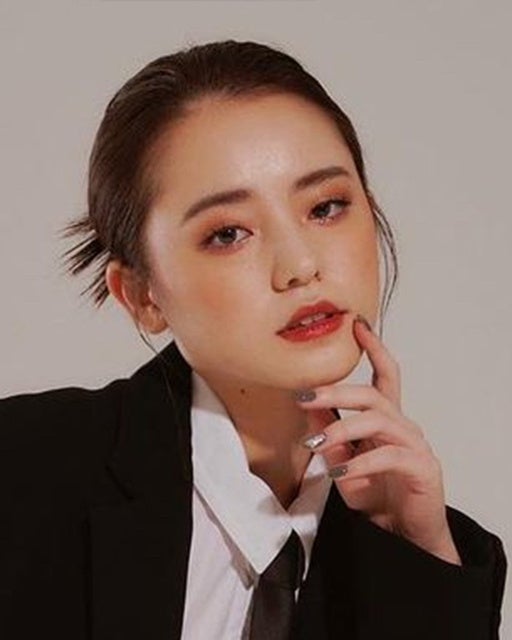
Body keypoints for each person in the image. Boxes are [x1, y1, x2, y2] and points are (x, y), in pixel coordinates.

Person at [0, 39, 507, 640]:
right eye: (228, 234)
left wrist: (410, 565)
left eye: (326, 207)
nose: (300, 266)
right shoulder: (23, 472)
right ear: (141, 295)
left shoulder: (439, 559)